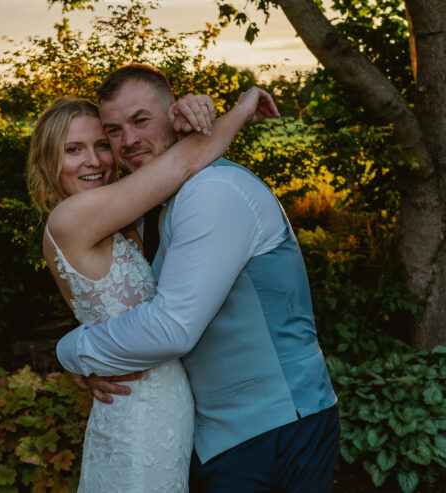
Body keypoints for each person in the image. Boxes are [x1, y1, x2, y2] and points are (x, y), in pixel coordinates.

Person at [56, 64, 340, 492]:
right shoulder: (152, 209)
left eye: (141, 120)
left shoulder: (214, 191)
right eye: (114, 130)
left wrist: (74, 350)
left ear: (174, 115)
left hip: (275, 426)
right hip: (206, 435)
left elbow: (173, 327)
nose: (128, 141)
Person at [28, 86, 278, 492]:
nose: (93, 161)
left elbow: (169, 163)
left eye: (100, 145)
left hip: (160, 404)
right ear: (46, 161)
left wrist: (184, 111)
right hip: (139, 408)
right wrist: (241, 110)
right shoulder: (72, 217)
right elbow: (186, 162)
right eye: (73, 150)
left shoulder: (116, 218)